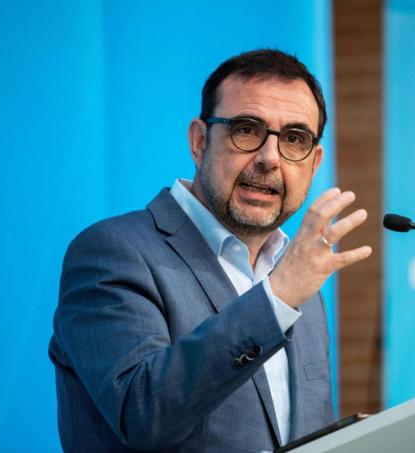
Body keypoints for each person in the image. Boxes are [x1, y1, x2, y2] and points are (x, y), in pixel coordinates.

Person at [48, 49, 372, 452]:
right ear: (200, 142)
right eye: (247, 129)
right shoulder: (113, 252)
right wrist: (279, 297)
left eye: (294, 139)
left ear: (314, 162)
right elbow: (142, 413)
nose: (269, 158)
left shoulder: (300, 286)